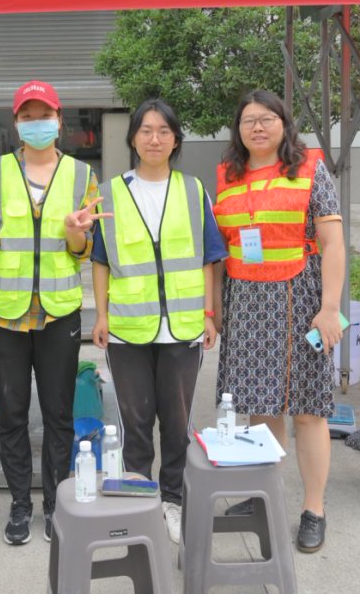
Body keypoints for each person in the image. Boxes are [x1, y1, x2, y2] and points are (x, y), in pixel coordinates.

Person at [0, 80, 103, 546]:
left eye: (45, 116)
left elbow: (83, 251)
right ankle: (20, 503)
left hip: (59, 313)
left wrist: (75, 232)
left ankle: (54, 505)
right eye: (28, 116)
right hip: (4, 314)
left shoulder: (82, 176)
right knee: (12, 414)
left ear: (59, 121)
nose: (36, 123)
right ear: (16, 123)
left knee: (60, 414)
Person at [211, 89, 346, 554]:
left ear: (284, 124)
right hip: (246, 303)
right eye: (249, 120)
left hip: (301, 298)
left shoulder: (310, 169)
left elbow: (333, 243)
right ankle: (263, 498)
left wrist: (330, 308)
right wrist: (216, 309)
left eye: (267, 118)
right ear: (238, 130)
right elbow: (220, 251)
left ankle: (314, 509)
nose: (258, 127)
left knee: (307, 410)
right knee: (260, 408)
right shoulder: (227, 176)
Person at [90, 98, 227, 544]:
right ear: (133, 138)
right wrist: (102, 315)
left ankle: (172, 499)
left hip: (183, 326)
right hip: (128, 327)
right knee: (134, 422)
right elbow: (100, 260)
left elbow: (208, 258)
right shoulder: (110, 192)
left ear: (175, 140)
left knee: (177, 420)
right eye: (146, 130)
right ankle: (138, 500)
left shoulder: (193, 190)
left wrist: (209, 314)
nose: (154, 139)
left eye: (164, 131)